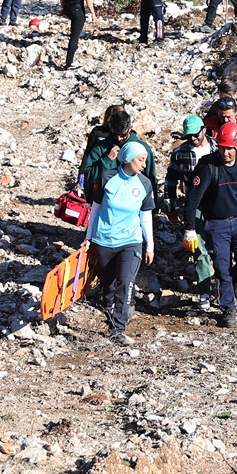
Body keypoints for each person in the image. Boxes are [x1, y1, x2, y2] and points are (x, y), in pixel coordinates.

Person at [183, 123, 237, 328]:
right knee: (222, 268)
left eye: (229, 148)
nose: (225, 153)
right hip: (216, 225)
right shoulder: (208, 167)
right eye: (221, 147)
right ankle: (228, 308)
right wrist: (190, 229)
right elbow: (192, 200)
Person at [84, 141, 155, 345]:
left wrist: (149, 245)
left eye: (145, 161)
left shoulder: (144, 183)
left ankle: (117, 328)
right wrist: (88, 238)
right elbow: (95, 209)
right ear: (128, 158)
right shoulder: (107, 177)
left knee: (126, 282)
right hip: (103, 240)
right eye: (140, 160)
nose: (144, 165)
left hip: (131, 241)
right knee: (109, 286)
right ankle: (110, 308)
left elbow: (146, 217)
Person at [161, 116, 218, 309]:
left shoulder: (219, 148)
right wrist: (170, 206)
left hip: (219, 206)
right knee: (199, 250)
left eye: (196, 134)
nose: (193, 139)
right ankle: (204, 292)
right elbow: (170, 180)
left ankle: (220, 286)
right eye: (189, 136)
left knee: (220, 250)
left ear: (204, 130)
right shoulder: (180, 153)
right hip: (194, 207)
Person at [80, 109, 157, 202]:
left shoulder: (142, 148)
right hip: (105, 204)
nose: (118, 138)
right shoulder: (100, 148)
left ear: (130, 128)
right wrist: (106, 161)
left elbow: (151, 180)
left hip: (134, 204)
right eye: (115, 134)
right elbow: (88, 177)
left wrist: (153, 209)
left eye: (123, 135)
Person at [59, 0, 96, 69]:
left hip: (68, 8)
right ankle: (69, 62)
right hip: (77, 9)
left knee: (74, 32)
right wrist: (93, 14)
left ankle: (73, 51)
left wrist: (63, 8)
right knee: (74, 37)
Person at [204, 97, 237, 167]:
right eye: (222, 117)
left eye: (229, 117)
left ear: (236, 112)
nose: (225, 120)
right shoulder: (209, 127)